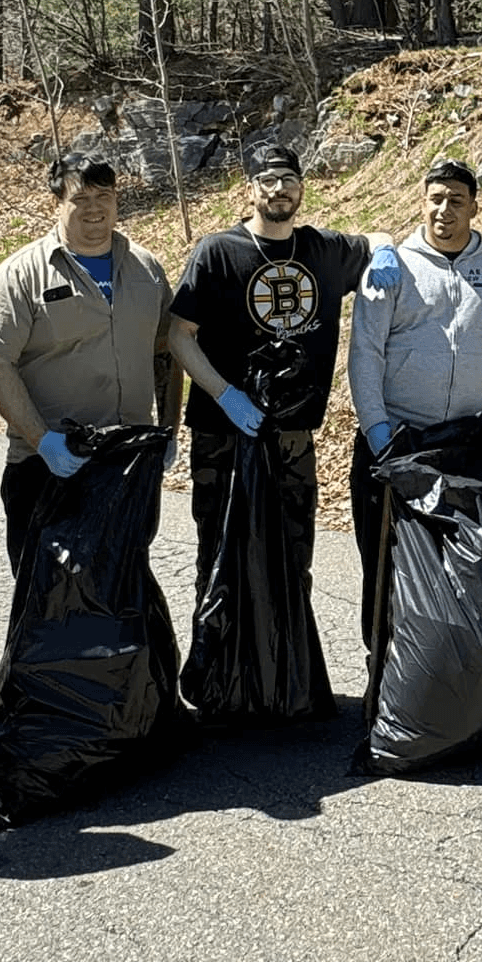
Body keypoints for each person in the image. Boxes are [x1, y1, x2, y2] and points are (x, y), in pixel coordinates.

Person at [166, 143, 399, 618]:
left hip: (293, 433)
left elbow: (375, 237)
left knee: (294, 553)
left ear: (301, 189)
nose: (278, 190)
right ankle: (218, 679)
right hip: (223, 431)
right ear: (249, 190)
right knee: (219, 553)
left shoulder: (323, 250)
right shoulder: (216, 253)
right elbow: (179, 336)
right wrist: (225, 394)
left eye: (287, 180)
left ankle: (291, 679)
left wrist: (388, 249)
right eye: (267, 181)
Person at [347, 157, 482, 638]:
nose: (444, 210)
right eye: (436, 199)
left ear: (475, 206)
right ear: (422, 202)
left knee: (466, 570)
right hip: (397, 443)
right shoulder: (392, 269)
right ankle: (386, 678)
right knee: (387, 567)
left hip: (465, 447)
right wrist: (376, 429)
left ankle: (454, 686)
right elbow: (365, 351)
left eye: (456, 200)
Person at [0, 151, 178, 574]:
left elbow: (167, 352)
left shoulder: (146, 269)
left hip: (128, 466)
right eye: (80, 198)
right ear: (56, 204)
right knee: (47, 613)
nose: (95, 208)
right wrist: (43, 440)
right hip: (48, 470)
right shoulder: (22, 275)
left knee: (123, 599)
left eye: (105, 195)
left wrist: (168, 432)